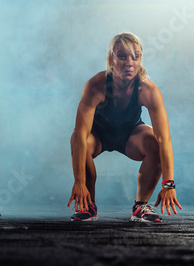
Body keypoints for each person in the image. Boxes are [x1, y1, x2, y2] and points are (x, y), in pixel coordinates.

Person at [67, 33, 181, 222]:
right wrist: (79, 181)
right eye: (122, 56)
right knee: (79, 140)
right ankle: (89, 205)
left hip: (130, 136)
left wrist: (168, 185)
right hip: (99, 136)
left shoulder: (148, 90)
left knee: (154, 141)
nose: (130, 62)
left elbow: (165, 140)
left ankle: (141, 206)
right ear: (111, 59)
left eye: (135, 56)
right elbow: (80, 135)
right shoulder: (96, 85)